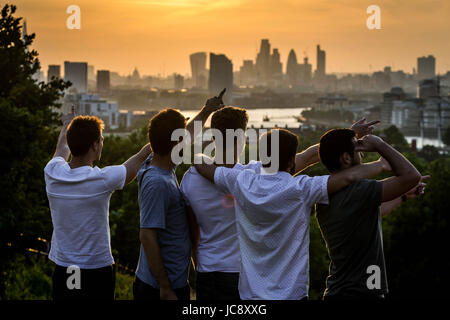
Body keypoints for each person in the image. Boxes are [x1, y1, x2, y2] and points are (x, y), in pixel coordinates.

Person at [193, 127, 391, 300]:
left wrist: (198, 155)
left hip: (250, 295)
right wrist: (381, 164)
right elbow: (346, 177)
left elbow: (203, 167)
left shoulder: (242, 181)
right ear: (290, 160)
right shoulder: (301, 188)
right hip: (292, 294)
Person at [44, 111, 151, 300]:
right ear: (94, 145)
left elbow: (61, 150)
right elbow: (134, 164)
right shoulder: (100, 180)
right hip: (96, 270)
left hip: (67, 268)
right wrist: (153, 145)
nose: (102, 144)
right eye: (101, 140)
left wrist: (66, 125)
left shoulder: (52, 172)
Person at [133, 90, 226, 301]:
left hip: (168, 283)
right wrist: (165, 288)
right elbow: (147, 236)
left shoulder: (157, 161)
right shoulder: (158, 183)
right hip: (159, 289)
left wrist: (207, 111)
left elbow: (186, 134)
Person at [316, 129, 425, 300]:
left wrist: (402, 197)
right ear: (346, 158)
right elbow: (412, 176)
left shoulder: (323, 196)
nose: (362, 155)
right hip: (360, 292)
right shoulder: (359, 191)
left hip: (340, 291)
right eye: (358, 150)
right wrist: (379, 145)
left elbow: (370, 214)